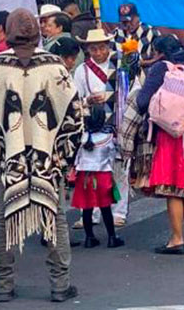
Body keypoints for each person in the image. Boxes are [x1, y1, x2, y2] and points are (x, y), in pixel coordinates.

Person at [0, 8, 83, 303]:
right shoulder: (54, 66)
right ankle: (60, 285)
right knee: (55, 218)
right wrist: (61, 157)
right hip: (47, 160)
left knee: (2, 219)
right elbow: (74, 115)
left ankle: (3, 286)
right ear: (36, 34)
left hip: (9, 160)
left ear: (5, 32)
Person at [137, 35, 184, 255]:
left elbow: (142, 101)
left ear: (159, 52)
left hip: (171, 136)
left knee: (173, 189)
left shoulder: (162, 69)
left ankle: (177, 239)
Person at [74, 28, 130, 227]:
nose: (98, 53)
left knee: (119, 170)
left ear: (108, 47)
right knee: (90, 171)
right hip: (93, 128)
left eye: (101, 48)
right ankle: (90, 213)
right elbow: (76, 98)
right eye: (93, 49)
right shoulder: (82, 70)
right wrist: (88, 100)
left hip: (117, 123)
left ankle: (119, 211)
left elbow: (133, 90)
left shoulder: (121, 65)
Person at [71, 104, 125, 249]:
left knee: (87, 208)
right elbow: (114, 156)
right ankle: (112, 237)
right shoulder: (108, 138)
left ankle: (89, 238)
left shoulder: (82, 138)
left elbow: (77, 159)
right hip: (102, 176)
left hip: (84, 177)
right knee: (105, 208)